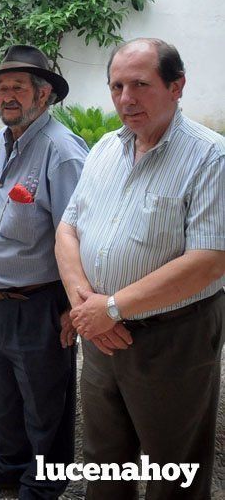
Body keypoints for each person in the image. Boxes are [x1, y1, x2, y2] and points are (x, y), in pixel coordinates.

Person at [56, 39, 225, 500]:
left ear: (177, 86)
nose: (126, 99)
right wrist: (85, 304)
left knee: (175, 465)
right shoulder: (105, 149)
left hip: (173, 335)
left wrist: (110, 307)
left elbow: (208, 261)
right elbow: (67, 230)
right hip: (100, 332)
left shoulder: (211, 157)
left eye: (140, 85)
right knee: (105, 458)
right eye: (116, 86)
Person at [0, 45, 87, 497]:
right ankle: (7, 466)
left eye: (18, 87)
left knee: (45, 403)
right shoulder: (2, 140)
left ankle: (42, 486)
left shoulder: (62, 151)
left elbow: (79, 237)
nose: (7, 96)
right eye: (1, 88)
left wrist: (76, 305)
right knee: (3, 398)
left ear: (44, 94)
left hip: (39, 303)